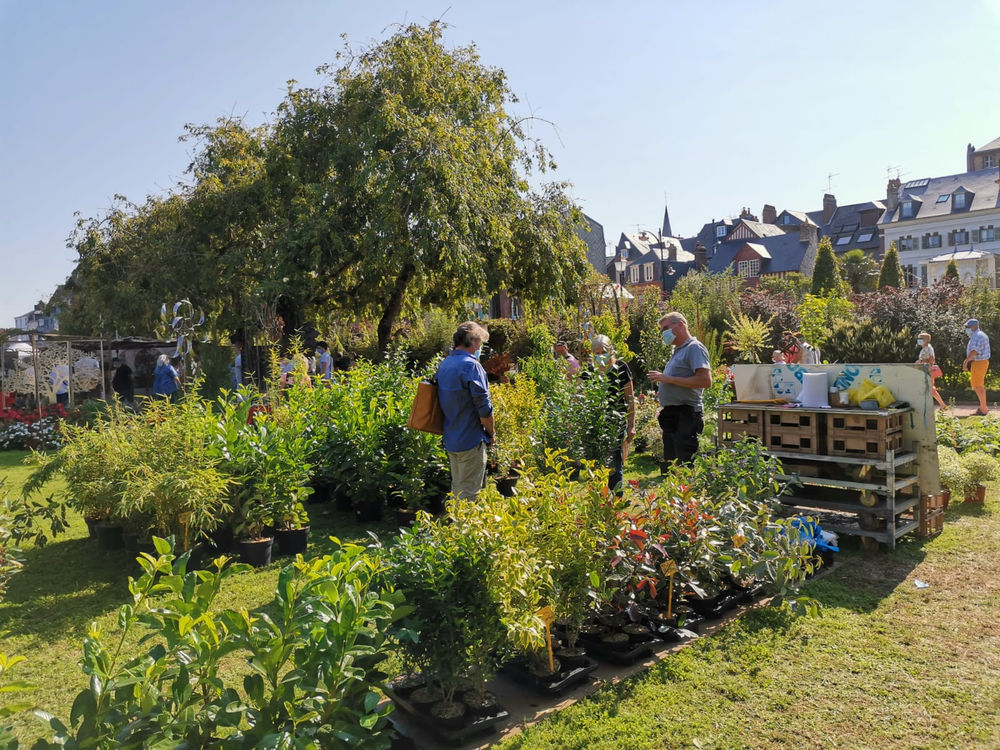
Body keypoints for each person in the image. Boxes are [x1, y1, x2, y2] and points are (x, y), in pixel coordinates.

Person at [436, 321, 494, 500]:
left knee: (458, 489)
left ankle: (455, 525)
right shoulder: (472, 366)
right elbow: (484, 408)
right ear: (474, 341)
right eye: (480, 343)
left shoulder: (445, 364)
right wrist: (492, 433)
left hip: (452, 437)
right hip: (470, 438)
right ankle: (464, 528)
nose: (480, 348)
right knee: (469, 494)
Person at [646, 312, 712, 466]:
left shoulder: (694, 348)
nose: (663, 333)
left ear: (681, 325)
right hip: (673, 415)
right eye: (662, 330)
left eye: (666, 328)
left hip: (687, 415)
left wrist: (669, 380)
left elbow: (705, 380)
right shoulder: (678, 350)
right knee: (673, 465)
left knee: (685, 464)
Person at [584, 334, 636, 494]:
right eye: (597, 353)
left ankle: (616, 502)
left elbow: (630, 398)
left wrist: (631, 425)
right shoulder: (588, 371)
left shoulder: (620, 367)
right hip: (594, 425)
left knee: (614, 463)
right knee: (595, 465)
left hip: (615, 423)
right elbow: (578, 398)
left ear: (611, 350)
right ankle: (598, 501)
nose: (601, 356)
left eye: (604, 352)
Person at [962, 318, 990, 416]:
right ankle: (983, 407)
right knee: (978, 385)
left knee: (978, 386)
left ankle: (983, 409)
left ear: (974, 326)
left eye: (968, 327)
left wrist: (966, 361)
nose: (966, 329)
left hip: (979, 362)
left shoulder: (976, 336)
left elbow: (974, 351)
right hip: (981, 362)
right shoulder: (980, 334)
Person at [916, 332, 947, 410]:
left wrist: (922, 362)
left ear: (926, 340)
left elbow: (931, 359)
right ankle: (942, 405)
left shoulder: (928, 348)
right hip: (925, 370)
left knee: (930, 389)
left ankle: (942, 405)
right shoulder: (925, 348)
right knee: (928, 388)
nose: (918, 340)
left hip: (928, 370)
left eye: (920, 339)